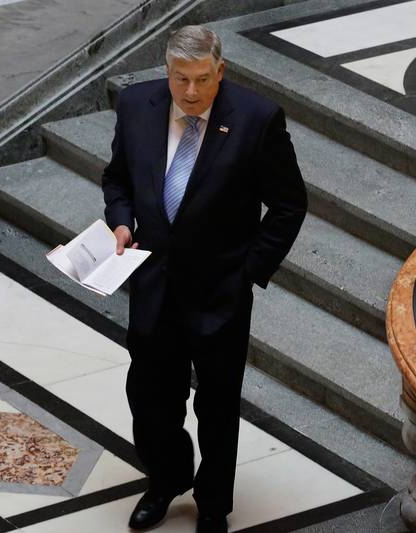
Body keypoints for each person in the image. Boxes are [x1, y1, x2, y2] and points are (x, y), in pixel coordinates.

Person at [101, 24, 307, 533]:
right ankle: (166, 480)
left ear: (221, 71)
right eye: (180, 79)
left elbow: (288, 205)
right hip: (153, 285)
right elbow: (118, 178)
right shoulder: (135, 105)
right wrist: (122, 220)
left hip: (221, 292)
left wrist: (248, 273)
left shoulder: (257, 120)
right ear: (165, 72)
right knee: (150, 397)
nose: (191, 93)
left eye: (201, 80)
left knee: (217, 404)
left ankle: (214, 503)